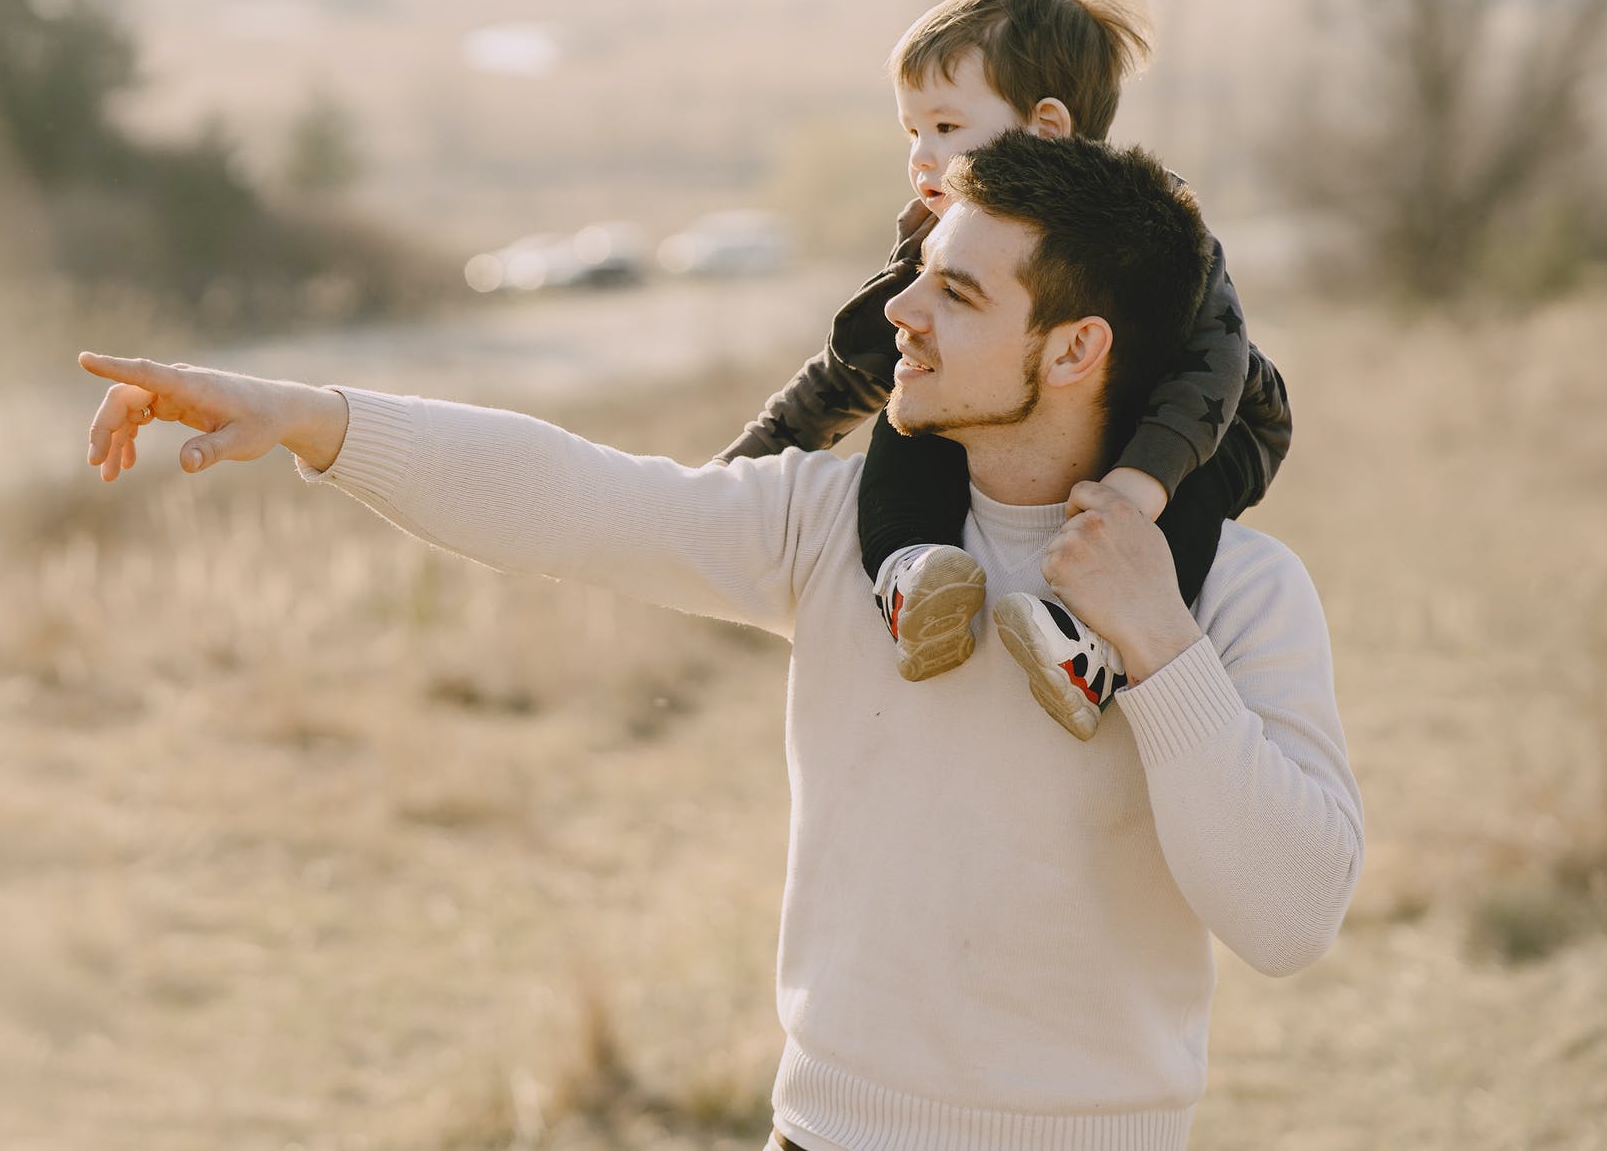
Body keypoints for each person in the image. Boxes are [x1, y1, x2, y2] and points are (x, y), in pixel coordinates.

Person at [77, 130, 1362, 1151]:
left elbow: (1292, 917)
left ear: (1077, 347)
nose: (901, 312)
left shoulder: (1240, 595)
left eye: (957, 293)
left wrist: (1160, 650)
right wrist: (307, 415)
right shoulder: (832, 522)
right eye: (922, 272)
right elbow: (577, 497)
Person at [717, 0, 1290, 738]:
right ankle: (913, 574)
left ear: (1046, 129)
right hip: (1037, 414)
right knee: (913, 409)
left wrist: (1137, 487)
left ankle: (1093, 648)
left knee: (1182, 503)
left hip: (1200, 426)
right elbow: (865, 361)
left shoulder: (1150, 227)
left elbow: (1213, 367)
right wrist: (748, 462)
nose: (922, 154)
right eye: (912, 130)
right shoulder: (940, 234)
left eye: (947, 127)